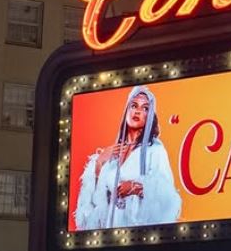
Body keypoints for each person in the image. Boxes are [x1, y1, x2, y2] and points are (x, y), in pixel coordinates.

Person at [74, 86, 182, 230]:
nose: (137, 111)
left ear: (150, 116)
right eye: (134, 105)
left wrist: (135, 188)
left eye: (145, 108)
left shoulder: (155, 149)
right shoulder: (113, 153)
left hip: (136, 232)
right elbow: (96, 204)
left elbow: (166, 197)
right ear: (127, 110)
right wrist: (100, 162)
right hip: (111, 232)